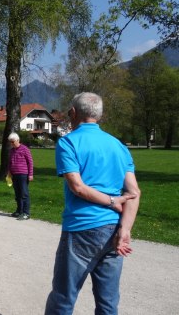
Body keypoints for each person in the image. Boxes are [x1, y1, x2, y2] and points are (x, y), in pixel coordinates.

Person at [44, 92, 140, 314]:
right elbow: (134, 192)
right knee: (108, 301)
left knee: (63, 297)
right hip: (113, 229)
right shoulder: (118, 146)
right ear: (100, 115)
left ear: (73, 113)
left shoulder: (68, 142)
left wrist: (111, 200)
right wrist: (125, 229)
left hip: (81, 228)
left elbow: (77, 187)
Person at [6, 132, 34, 220]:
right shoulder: (11, 151)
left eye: (13, 142)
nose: (11, 143)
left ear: (18, 140)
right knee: (17, 194)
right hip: (14, 174)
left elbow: (30, 162)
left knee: (24, 194)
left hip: (23, 174)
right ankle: (19, 211)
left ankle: (26, 213)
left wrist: (30, 174)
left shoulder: (25, 149)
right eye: (10, 142)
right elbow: (10, 163)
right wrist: (9, 172)